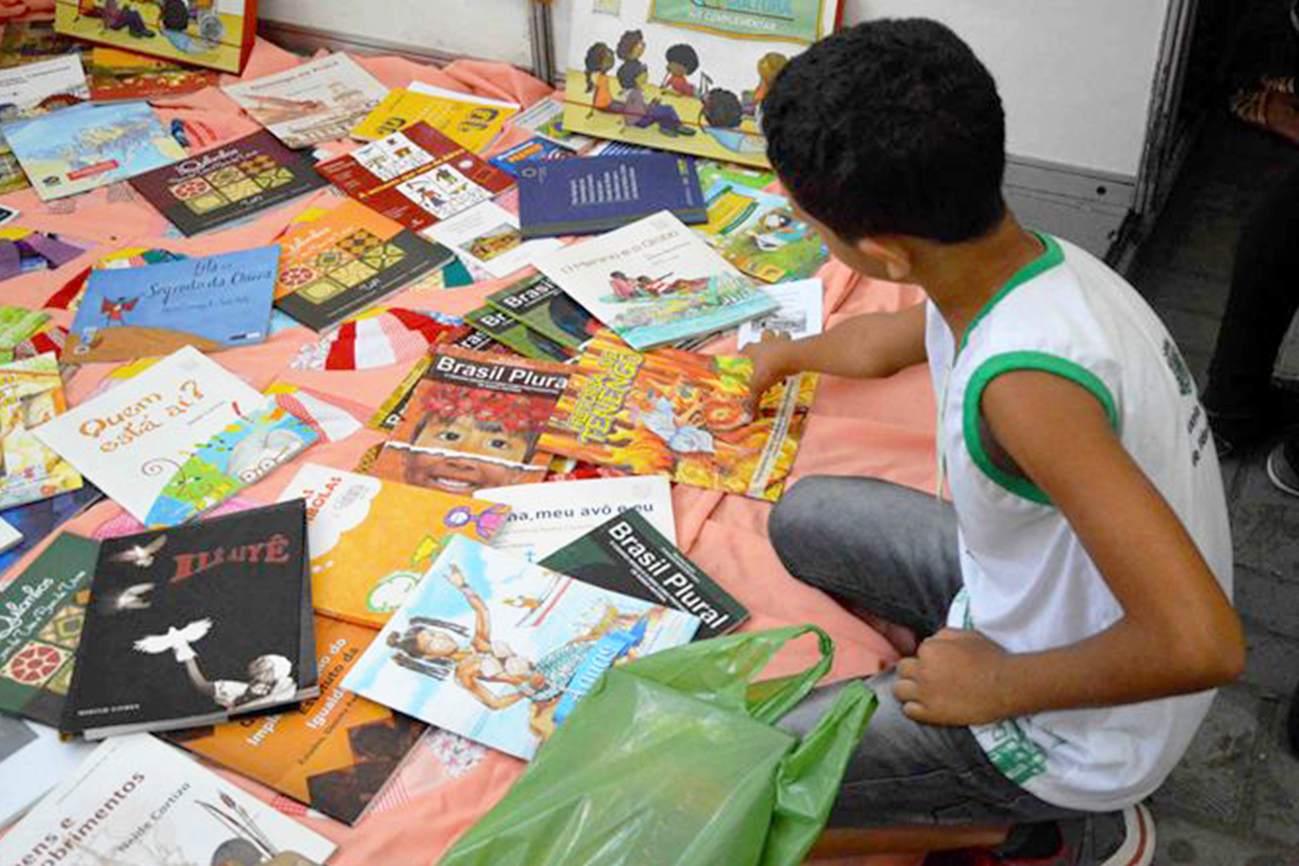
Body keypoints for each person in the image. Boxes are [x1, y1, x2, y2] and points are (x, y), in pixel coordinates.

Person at [746, 19, 1244, 865]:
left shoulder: (1027, 388)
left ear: (882, 255)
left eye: (813, 226)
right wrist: (787, 355)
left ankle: (1045, 826)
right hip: (1030, 598)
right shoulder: (1023, 262)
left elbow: (1203, 642)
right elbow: (890, 342)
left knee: (742, 774)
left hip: (1076, 729)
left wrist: (993, 685)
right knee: (804, 516)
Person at [617, 60, 696, 137]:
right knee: (667, 109)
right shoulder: (635, 93)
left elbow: (638, 107)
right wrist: (652, 106)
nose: (646, 76)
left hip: (637, 118)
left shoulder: (635, 90)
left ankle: (670, 126)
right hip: (639, 121)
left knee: (662, 109)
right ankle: (672, 126)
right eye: (643, 74)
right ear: (633, 78)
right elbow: (641, 111)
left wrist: (652, 105)